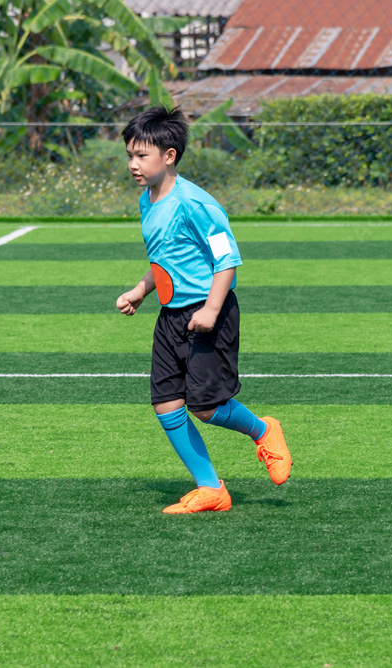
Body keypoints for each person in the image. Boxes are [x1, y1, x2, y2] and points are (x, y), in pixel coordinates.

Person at [116, 105, 292, 514]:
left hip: (208, 313)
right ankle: (211, 488)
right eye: (129, 155)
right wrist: (142, 289)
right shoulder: (148, 200)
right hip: (171, 314)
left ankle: (264, 430)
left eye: (142, 155)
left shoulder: (194, 203)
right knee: (166, 402)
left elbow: (226, 260)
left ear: (170, 155)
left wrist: (212, 310)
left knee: (206, 406)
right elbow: (165, 256)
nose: (133, 164)